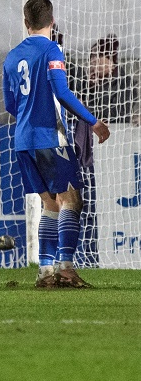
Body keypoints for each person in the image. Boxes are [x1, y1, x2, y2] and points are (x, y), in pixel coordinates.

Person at [2, 0, 110, 289]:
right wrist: (93, 121)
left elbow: (10, 104)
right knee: (72, 200)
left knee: (50, 204)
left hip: (23, 140)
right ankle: (65, 268)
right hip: (50, 136)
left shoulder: (11, 57)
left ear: (26, 23)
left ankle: (45, 271)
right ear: (52, 22)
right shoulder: (52, 49)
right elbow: (61, 92)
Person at [71, 35, 139, 266]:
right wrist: (89, 87)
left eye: (97, 58)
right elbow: (76, 111)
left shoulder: (124, 83)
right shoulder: (82, 84)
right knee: (88, 207)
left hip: (116, 160)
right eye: (91, 59)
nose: (93, 63)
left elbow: (118, 114)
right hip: (91, 159)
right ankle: (88, 256)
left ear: (111, 61)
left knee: (113, 209)